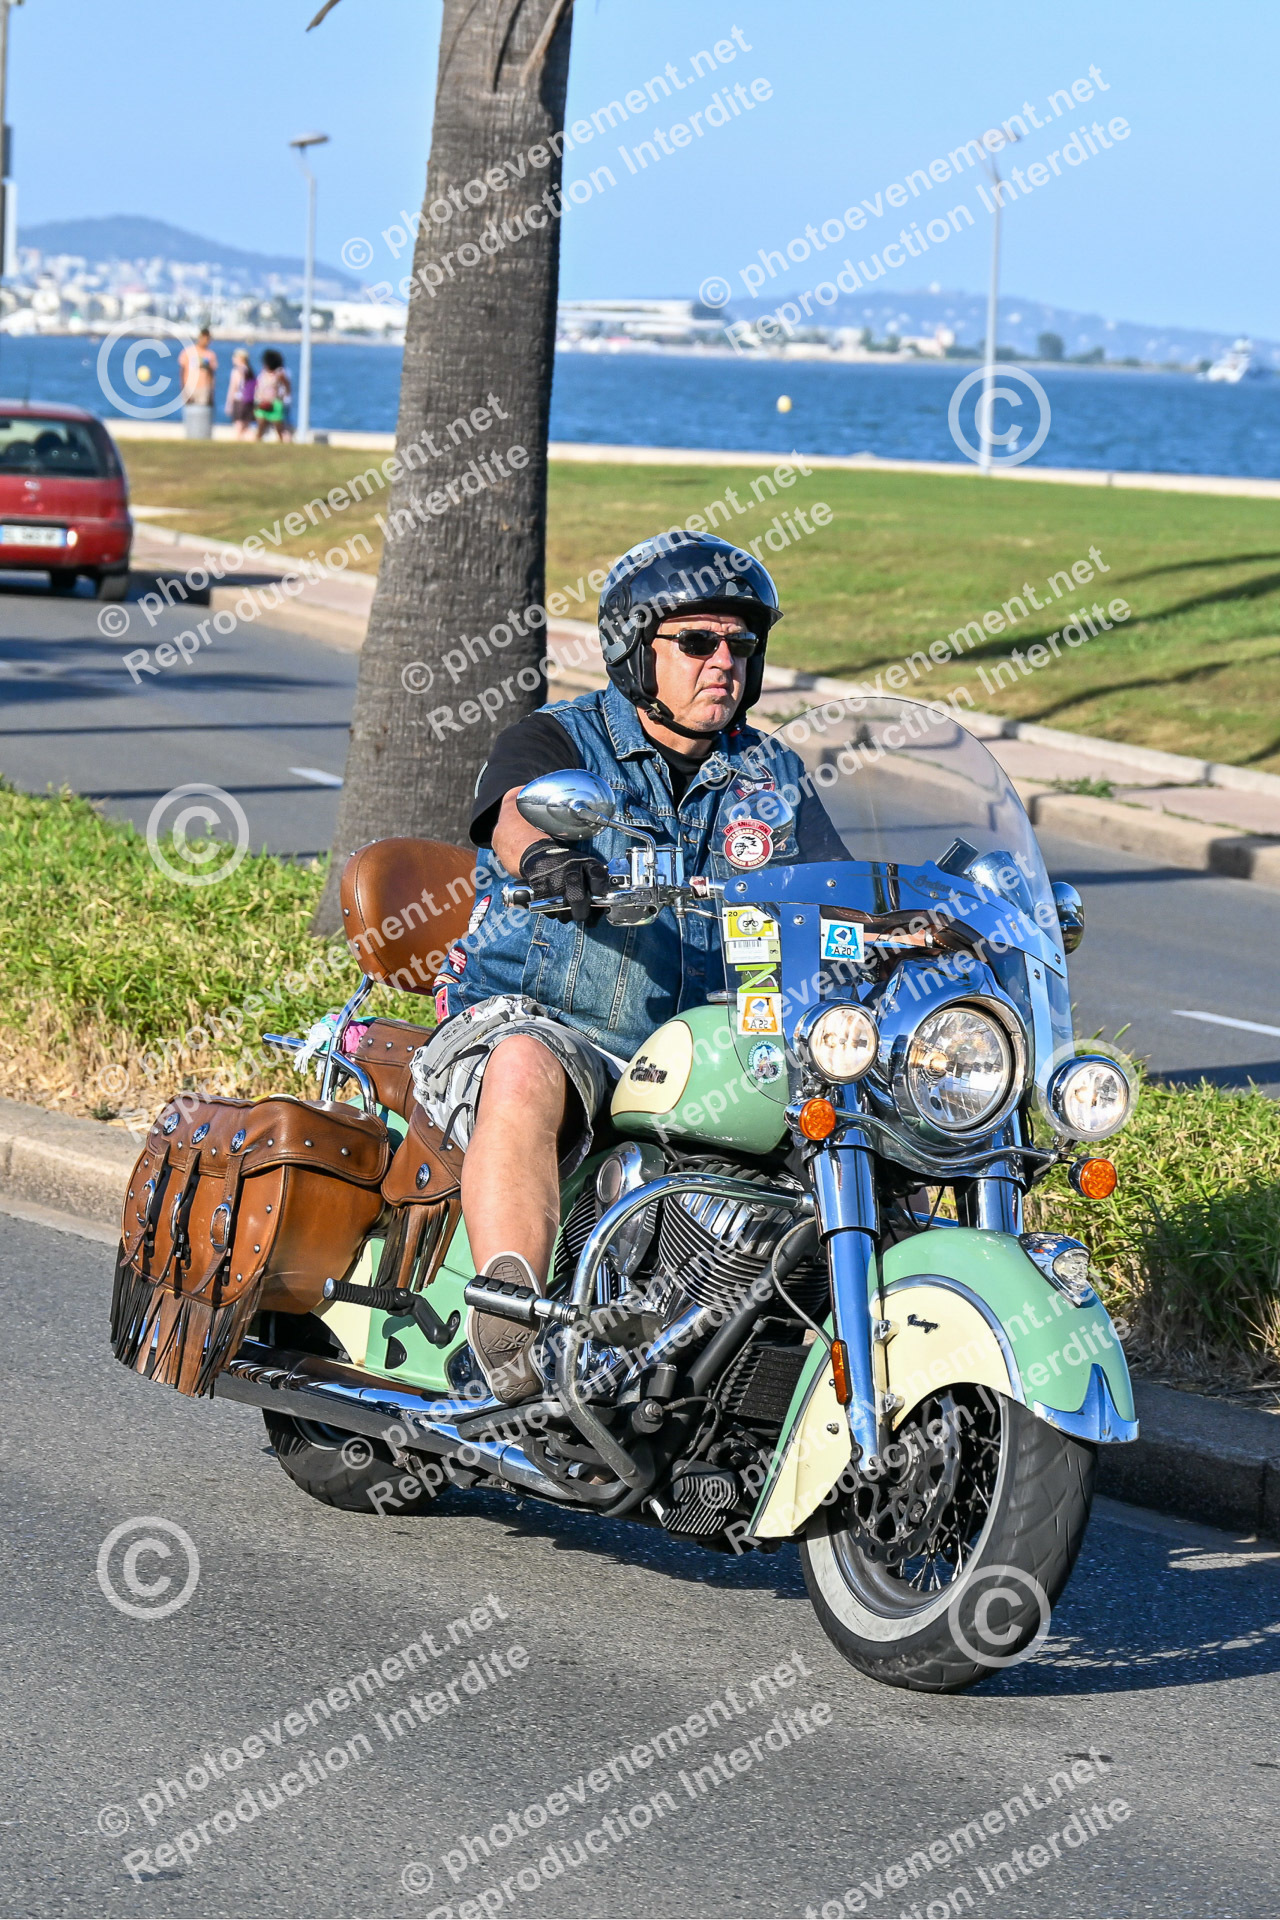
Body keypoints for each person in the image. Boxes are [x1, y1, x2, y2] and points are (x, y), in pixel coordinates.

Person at [413, 531, 846, 1401]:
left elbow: (835, 890)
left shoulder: (770, 775)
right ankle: (510, 1329)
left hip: (703, 1054)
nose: (724, 663)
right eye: (698, 642)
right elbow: (512, 815)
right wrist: (548, 858)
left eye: (741, 645)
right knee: (526, 1066)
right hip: (545, 1024)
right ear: (634, 650)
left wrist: (921, 925)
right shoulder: (558, 741)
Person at [178, 328, 217, 439]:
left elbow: (212, 374)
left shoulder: (210, 355)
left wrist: (211, 392)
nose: (206, 341)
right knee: (189, 412)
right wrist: (184, 389)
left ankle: (203, 436)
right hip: (190, 387)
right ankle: (190, 436)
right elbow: (182, 371)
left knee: (204, 413)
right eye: (204, 338)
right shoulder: (188, 352)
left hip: (204, 387)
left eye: (208, 339)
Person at [254, 349, 293, 441]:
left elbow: (287, 385)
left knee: (278, 426)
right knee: (261, 424)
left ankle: (281, 441)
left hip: (275, 402)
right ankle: (257, 440)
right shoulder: (263, 373)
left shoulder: (279, 374)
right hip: (262, 402)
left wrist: (284, 396)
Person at [226, 350, 257, 438]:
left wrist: (229, 404)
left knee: (239, 426)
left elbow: (233, 388)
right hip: (249, 401)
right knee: (246, 426)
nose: (233, 358)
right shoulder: (250, 370)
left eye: (235, 356)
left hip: (239, 401)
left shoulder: (236, 371)